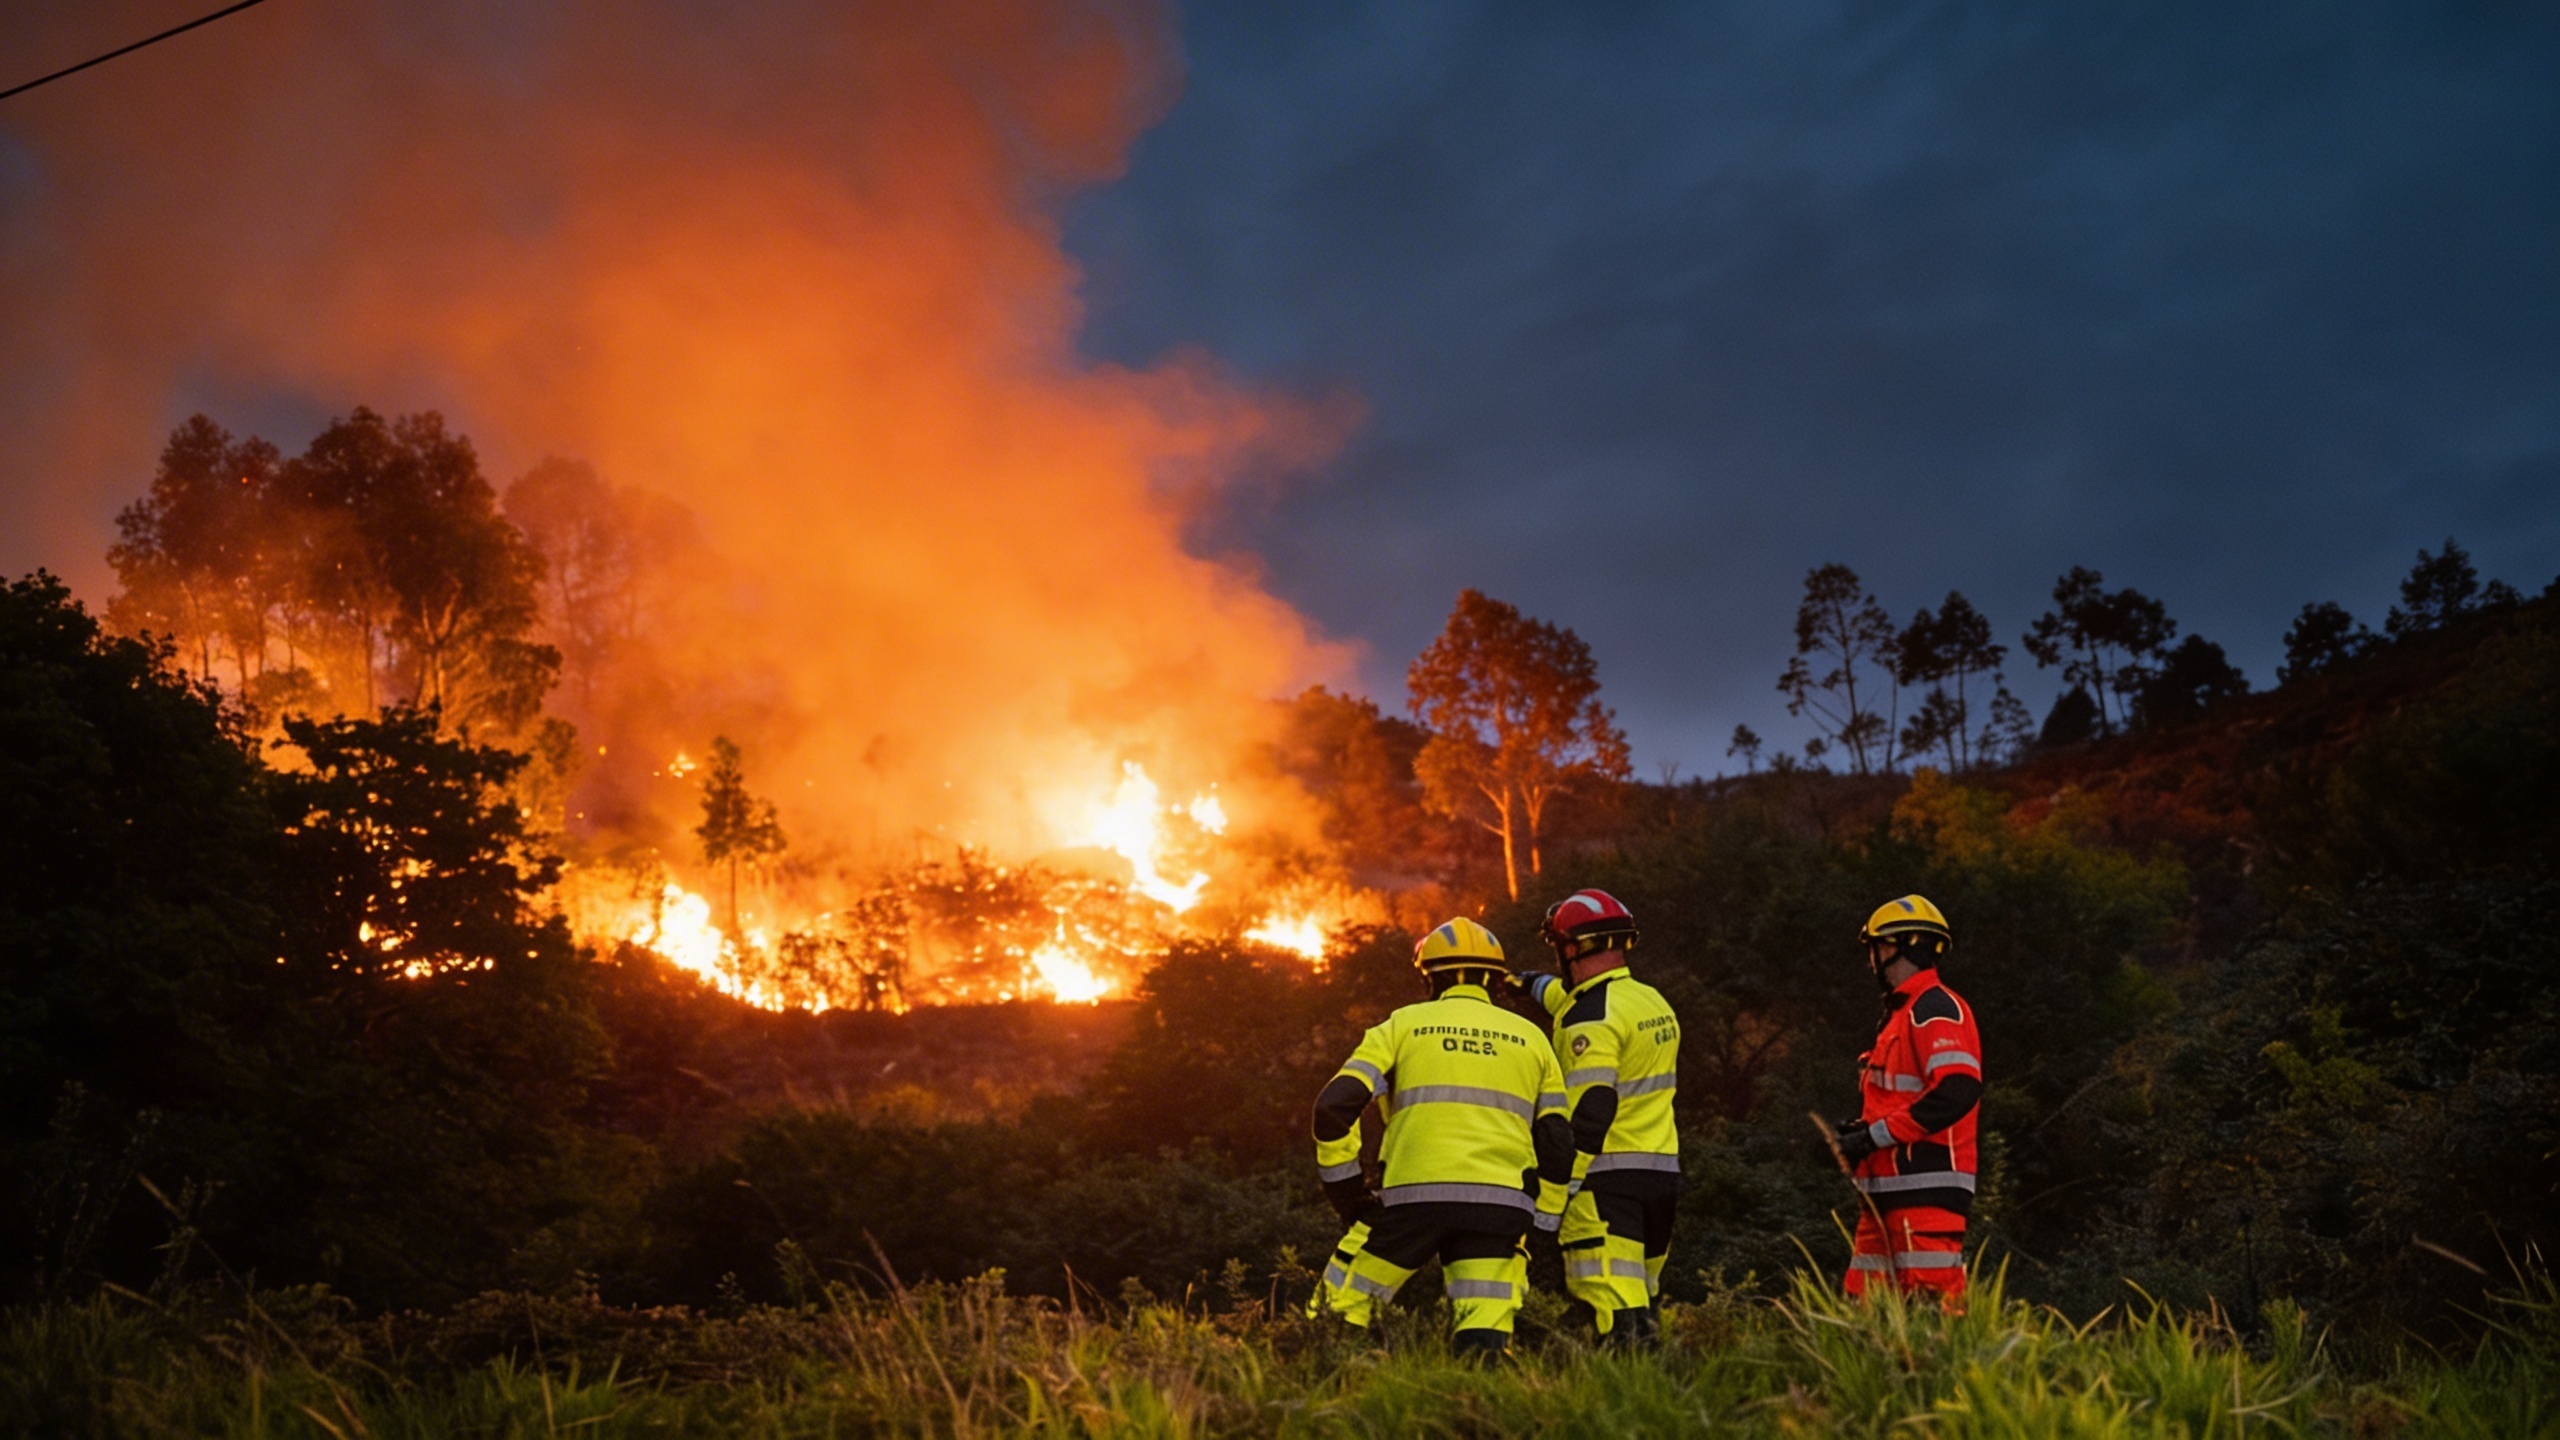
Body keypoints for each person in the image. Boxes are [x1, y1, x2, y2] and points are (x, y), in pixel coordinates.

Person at [1310, 917, 1576, 1357]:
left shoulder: (1401, 1026)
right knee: (1483, 1342)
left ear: (1429, 978)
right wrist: (1541, 1220)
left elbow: (1332, 1108)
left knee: (1337, 1320)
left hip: (1410, 1202)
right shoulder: (1533, 1037)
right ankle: (1476, 1417)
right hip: (1500, 1208)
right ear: (1493, 980)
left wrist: (1349, 1197)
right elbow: (1558, 1145)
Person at [1520, 889, 1682, 1344]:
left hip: (1605, 1183)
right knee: (1643, 1300)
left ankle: (1625, 1406)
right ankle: (1665, 1397)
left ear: (1571, 949)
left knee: (1615, 1307)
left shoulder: (1587, 1020)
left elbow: (1593, 1110)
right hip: (1660, 1175)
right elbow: (1568, 998)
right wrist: (1523, 982)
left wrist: (1558, 1193)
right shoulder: (1650, 1002)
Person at [1829, 894, 1983, 1306]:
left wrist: (1874, 1137)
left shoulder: (1935, 1008)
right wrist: (1857, 1136)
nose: (1871, 960)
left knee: (1932, 1313)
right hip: (1884, 1191)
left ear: (1903, 945)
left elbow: (1957, 1091)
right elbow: (1897, 1100)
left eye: (1876, 947)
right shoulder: (1899, 1016)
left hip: (1926, 1189)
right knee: (1862, 1311)